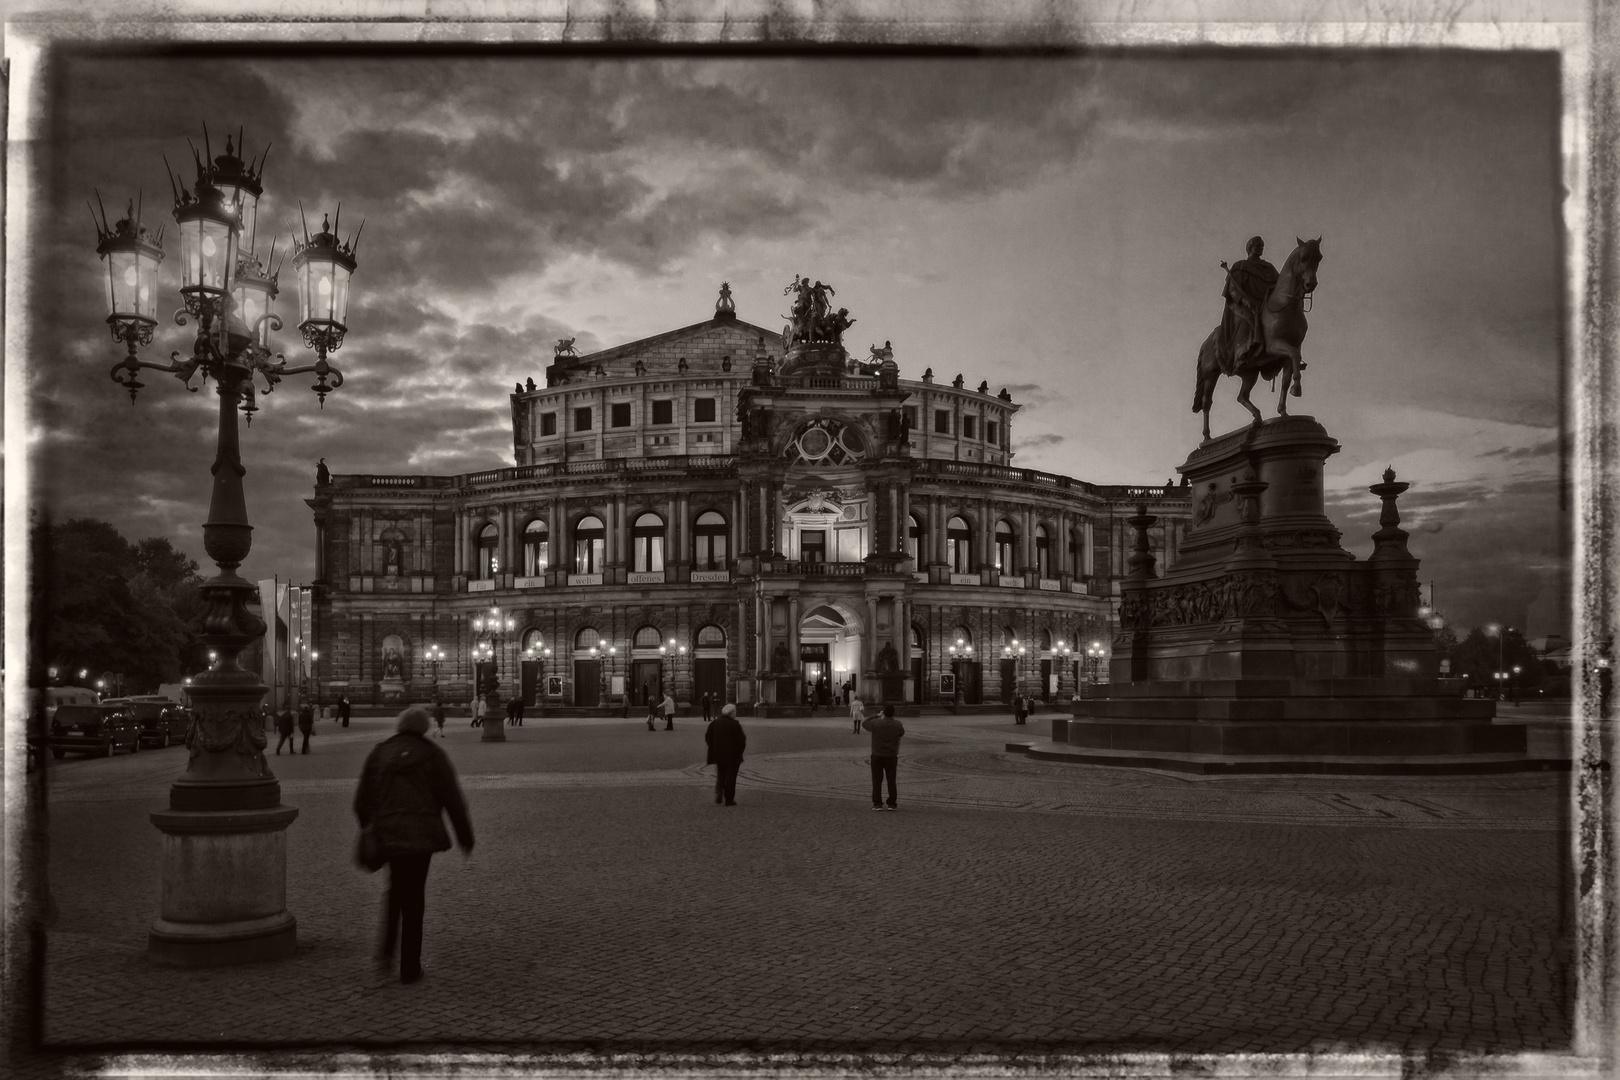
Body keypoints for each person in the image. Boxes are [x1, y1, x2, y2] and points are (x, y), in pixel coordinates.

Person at [354, 706, 475, 985]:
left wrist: (369, 826)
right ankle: (410, 967)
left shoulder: (380, 752)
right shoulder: (433, 754)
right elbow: (452, 798)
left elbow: (362, 799)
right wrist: (464, 835)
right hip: (421, 834)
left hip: (389, 832)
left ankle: (385, 953)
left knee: (395, 889)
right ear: (423, 727)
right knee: (414, 898)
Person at [1217, 235, 1279, 372]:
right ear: (1250, 248)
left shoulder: (1268, 268)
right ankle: (1240, 355)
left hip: (1265, 304)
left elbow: (1279, 285)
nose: (1261, 248)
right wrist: (1244, 300)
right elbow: (1232, 289)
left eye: (1262, 245)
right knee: (1247, 321)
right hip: (1244, 304)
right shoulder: (1241, 266)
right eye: (1258, 246)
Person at [862, 703, 906, 811]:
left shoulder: (876, 723)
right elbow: (901, 733)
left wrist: (877, 715)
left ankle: (877, 803)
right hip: (891, 755)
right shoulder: (897, 724)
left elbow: (864, 723)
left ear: (884, 712)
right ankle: (892, 803)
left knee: (877, 780)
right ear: (893, 713)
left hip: (877, 755)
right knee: (891, 780)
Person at [705, 703, 747, 806]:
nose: (736, 713)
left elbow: (707, 737)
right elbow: (742, 741)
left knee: (721, 775)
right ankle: (729, 799)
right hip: (732, 756)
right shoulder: (735, 725)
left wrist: (714, 747)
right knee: (731, 777)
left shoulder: (714, 723)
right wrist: (739, 753)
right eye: (735, 712)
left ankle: (719, 792)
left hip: (718, 754)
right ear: (731, 713)